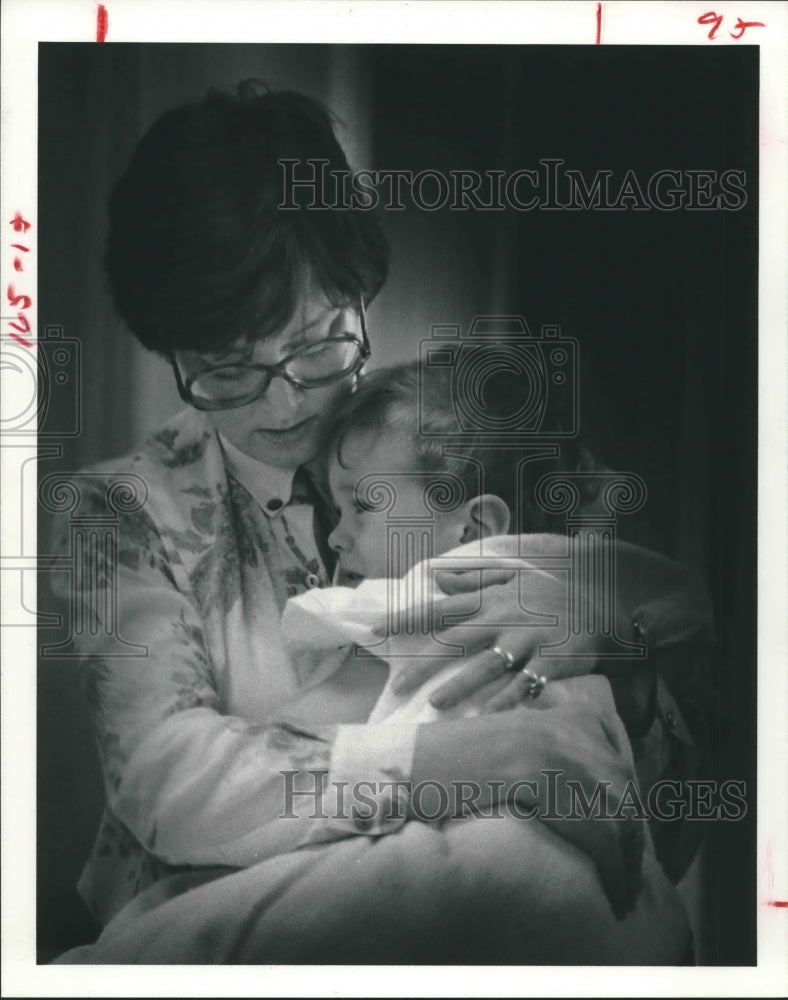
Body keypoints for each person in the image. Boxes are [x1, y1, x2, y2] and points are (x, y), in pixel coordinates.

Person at [51, 82, 711, 964]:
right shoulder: (118, 517)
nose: (287, 399)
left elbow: (658, 833)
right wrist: (464, 761)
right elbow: (168, 777)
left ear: (358, 291)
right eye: (227, 369)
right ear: (167, 349)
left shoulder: (473, 438)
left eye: (318, 338)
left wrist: (612, 665)